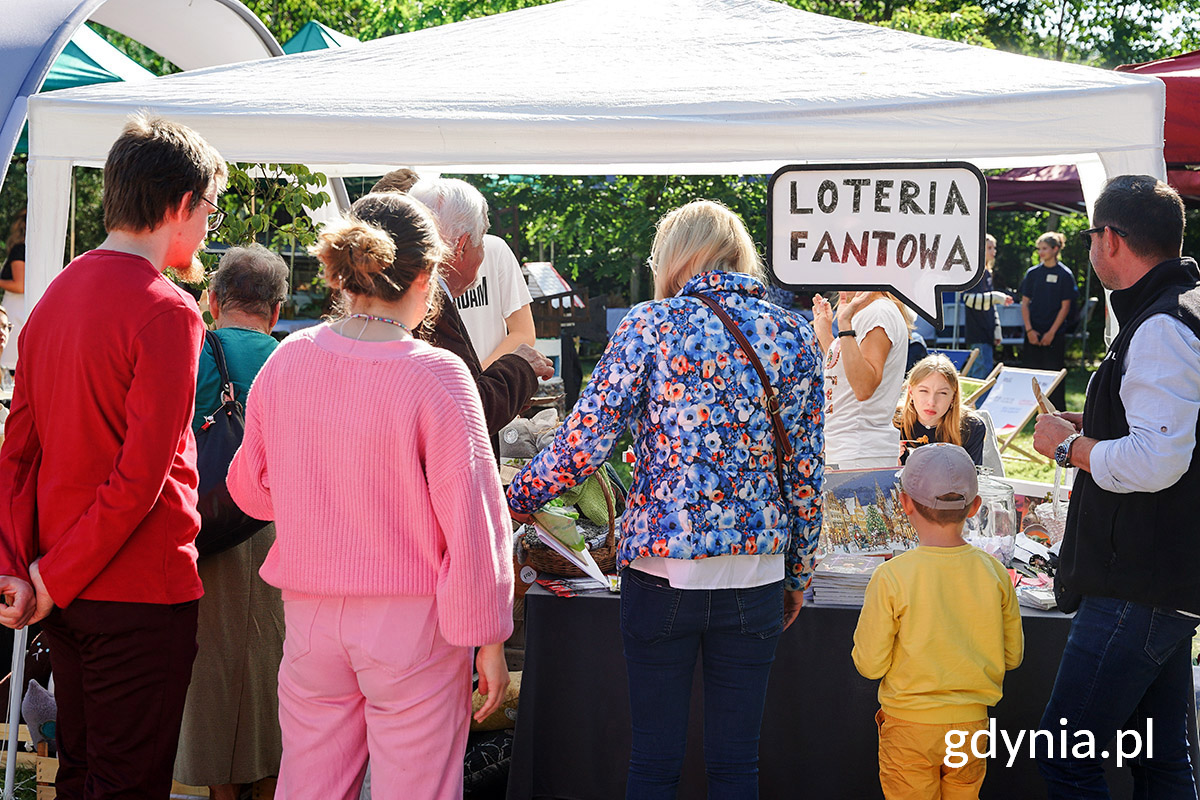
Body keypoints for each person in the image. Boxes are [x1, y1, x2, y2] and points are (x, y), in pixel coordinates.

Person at [507, 199, 825, 798]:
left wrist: (517, 496)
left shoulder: (652, 324)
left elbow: (585, 440)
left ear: (676, 257)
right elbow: (805, 471)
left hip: (662, 571)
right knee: (737, 766)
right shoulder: (794, 333)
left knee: (654, 761)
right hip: (756, 567)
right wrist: (800, 570)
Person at [227, 208, 514, 800]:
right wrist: (489, 635)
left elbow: (249, 489)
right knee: (415, 788)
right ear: (424, 277)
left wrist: (322, 493)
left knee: (309, 784)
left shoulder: (289, 359)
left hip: (310, 614)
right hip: (411, 623)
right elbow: (475, 521)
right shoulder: (438, 374)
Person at [0, 114, 224, 798]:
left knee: (81, 775)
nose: (209, 226)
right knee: (125, 782)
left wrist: (21, 570)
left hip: (62, 590)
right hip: (135, 591)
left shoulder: (53, 298)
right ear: (180, 206)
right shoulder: (168, 310)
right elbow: (140, 481)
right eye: (209, 209)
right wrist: (45, 577)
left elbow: (17, 454)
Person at [1032, 175, 1200, 798]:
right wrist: (1093, 422)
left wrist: (1070, 447)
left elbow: (1159, 460)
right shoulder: (1178, 308)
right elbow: (1170, 427)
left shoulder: (1161, 325)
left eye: (1091, 236)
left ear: (1111, 238)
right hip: (1160, 578)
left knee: (1063, 755)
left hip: (1139, 581)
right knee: (1159, 758)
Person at [175, 245, 288, 800]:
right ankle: (268, 786)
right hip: (279, 528)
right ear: (276, 309)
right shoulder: (294, 358)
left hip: (204, 522)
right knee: (273, 667)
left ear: (214, 300)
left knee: (213, 666)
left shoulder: (190, 351)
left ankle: (221, 792)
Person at [853, 443, 1024, 799]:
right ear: (976, 507)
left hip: (909, 726)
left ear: (905, 503)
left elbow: (869, 665)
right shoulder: (995, 572)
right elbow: (1013, 657)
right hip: (972, 726)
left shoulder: (891, 577)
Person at [371, 180, 553, 451]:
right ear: (462, 247)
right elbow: (465, 416)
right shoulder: (426, 307)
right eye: (480, 242)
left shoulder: (392, 297)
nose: (483, 252)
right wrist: (518, 369)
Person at [812, 290, 913, 469]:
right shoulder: (869, 310)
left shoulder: (878, 312)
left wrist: (844, 326)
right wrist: (826, 336)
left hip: (859, 452)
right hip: (852, 450)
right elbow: (847, 375)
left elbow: (864, 387)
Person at [455, 236, 536, 369]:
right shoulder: (417, 251)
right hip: (430, 384)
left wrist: (480, 375)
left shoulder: (494, 249)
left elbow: (524, 333)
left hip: (490, 383)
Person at [895, 354, 987, 466]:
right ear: (911, 392)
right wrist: (891, 464)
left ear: (953, 397)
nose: (932, 402)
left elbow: (972, 478)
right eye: (924, 391)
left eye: (942, 393)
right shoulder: (893, 423)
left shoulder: (970, 428)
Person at [1020, 231, 1076, 411]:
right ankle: (1026, 412)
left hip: (1055, 334)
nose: (1041, 252)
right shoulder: (1032, 273)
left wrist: (1051, 333)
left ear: (1056, 249)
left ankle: (1056, 413)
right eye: (1039, 249)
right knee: (1030, 375)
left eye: (1045, 248)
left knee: (1054, 376)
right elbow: (1024, 303)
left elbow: (1065, 306)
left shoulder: (1065, 274)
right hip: (1033, 332)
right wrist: (1029, 331)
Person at [962, 233, 1013, 379]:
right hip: (977, 332)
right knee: (979, 373)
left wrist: (996, 331)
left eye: (994, 248)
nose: (994, 251)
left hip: (987, 333)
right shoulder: (973, 274)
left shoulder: (987, 273)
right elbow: (968, 299)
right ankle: (976, 402)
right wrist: (997, 297)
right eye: (989, 248)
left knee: (982, 370)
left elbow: (990, 305)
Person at [0, 210, 26, 372]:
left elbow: (19, 285)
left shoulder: (19, 250)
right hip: (20, 311)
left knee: (9, 366)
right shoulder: (31, 251)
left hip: (15, 314)